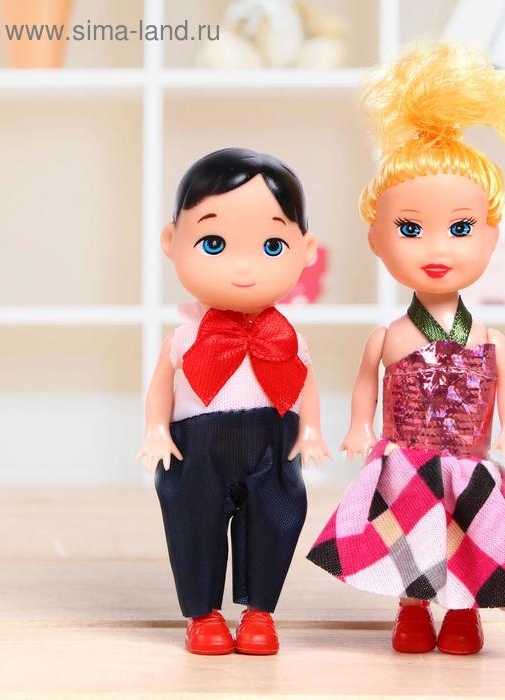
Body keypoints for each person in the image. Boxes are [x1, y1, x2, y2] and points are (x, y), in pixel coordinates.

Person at [307, 43, 505, 655]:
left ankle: (463, 613)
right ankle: (412, 610)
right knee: (407, 537)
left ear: (491, 237)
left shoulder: (488, 338)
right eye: (410, 229)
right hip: (406, 462)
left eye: (460, 229)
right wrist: (359, 426)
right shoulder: (389, 337)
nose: (437, 248)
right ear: (377, 240)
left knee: (464, 538)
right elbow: (365, 383)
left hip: (466, 461)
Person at [137, 147, 330, 656]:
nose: (243, 267)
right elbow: (162, 384)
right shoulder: (184, 335)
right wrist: (156, 430)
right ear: (171, 241)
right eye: (214, 243)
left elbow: (304, 382)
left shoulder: (288, 337)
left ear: (306, 250)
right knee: (193, 520)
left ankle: (260, 612)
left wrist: (311, 431)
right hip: (196, 443)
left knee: (277, 517)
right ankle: (203, 615)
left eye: (272, 245)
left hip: (272, 438)